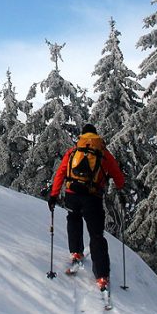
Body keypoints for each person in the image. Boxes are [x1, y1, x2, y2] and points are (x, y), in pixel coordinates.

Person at [48, 124, 125, 291]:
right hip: (93, 198)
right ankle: (102, 276)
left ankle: (76, 252)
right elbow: (119, 178)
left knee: (74, 220)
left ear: (82, 136)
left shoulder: (73, 152)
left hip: (72, 195)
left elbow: (61, 173)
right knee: (96, 235)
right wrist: (119, 187)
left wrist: (53, 195)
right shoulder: (103, 153)